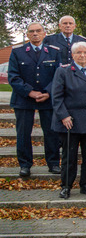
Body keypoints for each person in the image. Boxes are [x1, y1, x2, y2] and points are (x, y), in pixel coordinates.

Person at [51, 42, 86, 199]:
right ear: (72, 55)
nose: (82, 55)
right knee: (69, 156)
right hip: (70, 121)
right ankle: (66, 186)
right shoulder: (63, 71)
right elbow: (56, 96)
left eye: (85, 52)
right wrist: (63, 115)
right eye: (78, 52)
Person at [9, 23, 62, 177]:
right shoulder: (17, 52)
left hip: (47, 98)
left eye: (38, 31)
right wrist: (29, 92)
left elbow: (58, 76)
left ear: (44, 34)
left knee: (51, 132)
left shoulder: (54, 52)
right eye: (31, 31)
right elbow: (13, 76)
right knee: (23, 133)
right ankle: (25, 165)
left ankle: (53, 163)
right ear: (27, 35)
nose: (35, 34)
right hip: (24, 98)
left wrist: (48, 92)